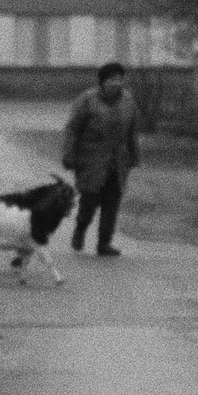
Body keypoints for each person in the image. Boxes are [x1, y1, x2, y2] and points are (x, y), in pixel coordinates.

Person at [61, 61, 141, 256]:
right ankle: (80, 230)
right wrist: (69, 154)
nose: (117, 83)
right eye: (112, 79)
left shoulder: (128, 102)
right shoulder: (87, 100)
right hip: (91, 159)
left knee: (112, 203)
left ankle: (104, 243)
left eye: (120, 79)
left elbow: (132, 131)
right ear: (103, 81)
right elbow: (72, 129)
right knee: (89, 200)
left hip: (118, 161)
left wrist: (134, 154)